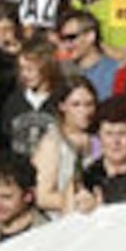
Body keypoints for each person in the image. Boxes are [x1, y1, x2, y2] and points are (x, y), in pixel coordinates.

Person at [31, 78, 98, 213]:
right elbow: (41, 196)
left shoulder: (98, 137)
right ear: (62, 106)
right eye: (76, 105)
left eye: (89, 104)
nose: (84, 111)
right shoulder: (52, 143)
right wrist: (76, 202)